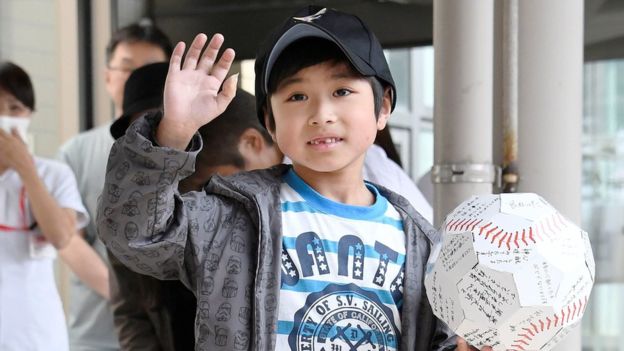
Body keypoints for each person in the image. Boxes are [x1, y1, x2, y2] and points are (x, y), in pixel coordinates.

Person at [97, 6, 478, 350]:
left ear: (383, 107)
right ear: (269, 122)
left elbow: (437, 342)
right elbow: (135, 234)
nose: (321, 113)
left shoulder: (420, 242)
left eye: (342, 90)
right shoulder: (231, 216)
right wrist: (173, 132)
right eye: (297, 97)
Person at [57, 21, 172, 351]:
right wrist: (132, 297)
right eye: (126, 68)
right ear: (108, 77)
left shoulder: (191, 148)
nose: (136, 77)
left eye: (149, 69)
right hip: (96, 335)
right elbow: (69, 242)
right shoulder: (76, 152)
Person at [107, 62, 196, 351]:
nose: (150, 140)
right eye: (139, 131)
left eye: (158, 123)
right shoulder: (125, 208)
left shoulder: (224, 189)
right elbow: (130, 312)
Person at [0, 61, 88, 350]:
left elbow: (62, 236)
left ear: (30, 114)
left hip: (35, 333)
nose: (4, 116)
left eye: (14, 108)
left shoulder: (54, 174)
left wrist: (26, 169)